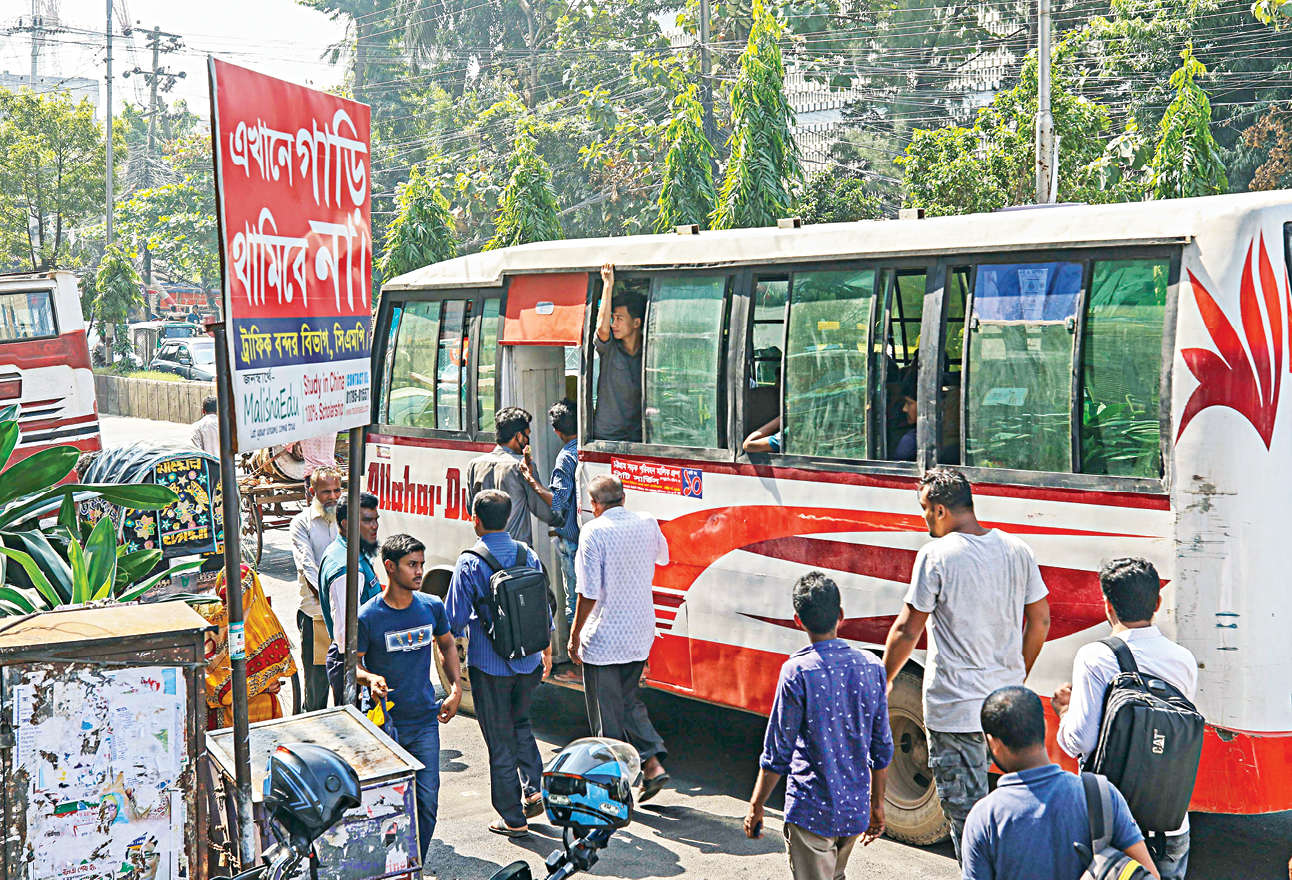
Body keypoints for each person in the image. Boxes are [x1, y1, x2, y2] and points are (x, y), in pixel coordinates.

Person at [880, 467, 1051, 862]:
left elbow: (907, 629)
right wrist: (1017, 676)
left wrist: (882, 680)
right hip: (1008, 707)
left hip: (956, 710)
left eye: (925, 509)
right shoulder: (1017, 549)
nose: (924, 519)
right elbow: (1040, 620)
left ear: (940, 510)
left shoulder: (937, 555)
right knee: (1017, 811)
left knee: (968, 819)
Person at [1053, 558, 1198, 880]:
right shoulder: (1184, 660)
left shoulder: (1095, 656)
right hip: (1172, 821)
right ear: (1157, 603)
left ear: (1107, 605)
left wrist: (1064, 711)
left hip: (1112, 821)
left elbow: (1080, 740)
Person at [745, 572, 893, 880]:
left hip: (812, 810)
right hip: (853, 810)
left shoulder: (797, 671)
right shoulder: (872, 666)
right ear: (841, 615)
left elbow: (777, 753)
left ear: (798, 621)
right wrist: (877, 805)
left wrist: (756, 806)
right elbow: (881, 748)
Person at [962, 686, 1159, 880]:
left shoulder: (984, 818)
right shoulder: (1100, 794)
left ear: (993, 743)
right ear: (1044, 726)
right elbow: (1150, 875)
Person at [445, 490, 553, 837]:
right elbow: (543, 607)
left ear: (475, 520)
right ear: (507, 518)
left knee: (499, 738)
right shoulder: (528, 554)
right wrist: (547, 651)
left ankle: (513, 818)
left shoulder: (470, 562)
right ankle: (534, 789)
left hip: (490, 666)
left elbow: (454, 619)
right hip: (528, 661)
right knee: (521, 723)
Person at [357, 534, 462, 860]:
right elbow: (352, 664)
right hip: (385, 727)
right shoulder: (368, 616)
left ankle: (415, 864)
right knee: (387, 807)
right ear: (390, 567)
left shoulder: (431, 606)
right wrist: (370, 678)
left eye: (421, 564)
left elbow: (447, 644)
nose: (419, 572)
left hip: (424, 722)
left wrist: (456, 688)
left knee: (427, 802)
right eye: (412, 565)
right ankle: (392, 865)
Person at [568, 474, 670, 801]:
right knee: (628, 702)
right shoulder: (647, 522)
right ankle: (652, 764)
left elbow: (588, 592)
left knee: (606, 716)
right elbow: (663, 558)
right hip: (639, 631)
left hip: (604, 637)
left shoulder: (593, 532)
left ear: (594, 504)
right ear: (624, 498)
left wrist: (575, 635)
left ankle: (614, 791)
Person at [318, 492, 383, 704]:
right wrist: (364, 676)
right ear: (346, 524)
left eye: (376, 519)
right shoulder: (346, 569)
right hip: (354, 666)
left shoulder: (349, 552)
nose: (375, 526)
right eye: (368, 520)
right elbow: (346, 638)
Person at [519, 398, 580, 624]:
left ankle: (576, 646)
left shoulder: (566, 457)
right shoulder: (585, 449)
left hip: (572, 542)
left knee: (574, 604)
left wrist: (531, 480)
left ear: (557, 431)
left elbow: (558, 502)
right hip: (587, 540)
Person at [289, 467, 343, 712]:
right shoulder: (302, 523)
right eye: (326, 492)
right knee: (317, 688)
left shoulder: (347, 519)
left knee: (349, 685)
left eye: (337, 490)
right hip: (317, 615)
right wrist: (331, 604)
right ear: (312, 492)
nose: (333, 497)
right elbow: (307, 567)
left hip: (346, 614)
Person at [466, 407, 556, 545]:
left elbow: (470, 508)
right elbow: (542, 509)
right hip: (515, 549)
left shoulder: (474, 465)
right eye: (527, 435)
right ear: (518, 436)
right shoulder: (521, 466)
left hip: (485, 548)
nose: (527, 440)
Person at [592, 264, 644, 441]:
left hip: (636, 436)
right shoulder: (610, 348)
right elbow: (602, 329)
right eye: (612, 318)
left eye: (619, 319)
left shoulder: (647, 353)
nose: (614, 324)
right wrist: (608, 285)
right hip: (608, 436)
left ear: (636, 323)